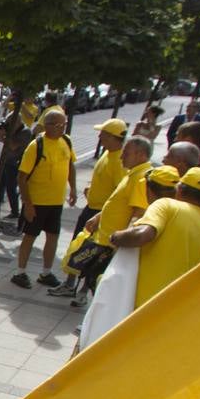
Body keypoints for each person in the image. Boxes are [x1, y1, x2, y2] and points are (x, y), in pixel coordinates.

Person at [110, 167, 200, 309]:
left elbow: (142, 235)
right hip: (174, 313)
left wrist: (115, 237)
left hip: (138, 307)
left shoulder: (167, 206)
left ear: (179, 189)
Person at [49, 117, 127, 299]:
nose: (100, 136)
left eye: (104, 134)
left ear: (113, 137)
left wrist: (102, 215)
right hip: (91, 208)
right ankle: (70, 284)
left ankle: (82, 291)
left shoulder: (119, 162)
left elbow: (118, 192)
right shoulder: (108, 154)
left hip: (100, 213)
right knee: (78, 246)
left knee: (91, 252)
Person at [77, 136, 155, 301]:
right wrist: (98, 217)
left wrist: (124, 240)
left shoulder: (141, 177)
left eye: (125, 154)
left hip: (114, 244)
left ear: (140, 155)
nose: (121, 157)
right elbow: (118, 202)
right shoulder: (132, 174)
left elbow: (138, 213)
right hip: (107, 240)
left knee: (102, 285)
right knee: (94, 279)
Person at [11, 109, 77, 289]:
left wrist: (73, 190)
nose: (62, 128)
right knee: (29, 236)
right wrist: (28, 204)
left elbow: (71, 165)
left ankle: (46, 272)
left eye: (64, 124)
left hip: (56, 202)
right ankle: (20, 272)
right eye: (58, 125)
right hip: (37, 201)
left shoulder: (66, 141)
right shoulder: (36, 145)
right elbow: (22, 177)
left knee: (53, 236)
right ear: (47, 125)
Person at [0, 93, 34, 219]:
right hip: (7, 160)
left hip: (16, 163)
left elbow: (13, 146)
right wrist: (1, 134)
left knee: (11, 188)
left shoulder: (25, 132)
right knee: (0, 185)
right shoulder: (12, 130)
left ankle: (15, 211)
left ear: (16, 123)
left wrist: (6, 136)